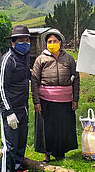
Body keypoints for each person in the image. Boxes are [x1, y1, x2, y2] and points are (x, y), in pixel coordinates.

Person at [31, 29, 79, 162]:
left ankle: (61, 153)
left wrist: (75, 99)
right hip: (46, 99)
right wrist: (36, 101)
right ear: (46, 44)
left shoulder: (68, 58)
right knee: (47, 128)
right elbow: (34, 80)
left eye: (55, 41)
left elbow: (76, 78)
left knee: (62, 126)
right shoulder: (40, 59)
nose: (52, 43)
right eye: (49, 41)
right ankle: (47, 154)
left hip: (65, 100)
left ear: (60, 42)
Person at [0, 25, 31, 172]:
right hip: (10, 109)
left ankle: (16, 168)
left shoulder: (24, 57)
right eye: (21, 40)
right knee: (9, 146)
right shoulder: (7, 60)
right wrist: (8, 112)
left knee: (20, 141)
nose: (24, 43)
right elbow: (1, 88)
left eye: (27, 40)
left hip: (23, 107)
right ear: (12, 42)